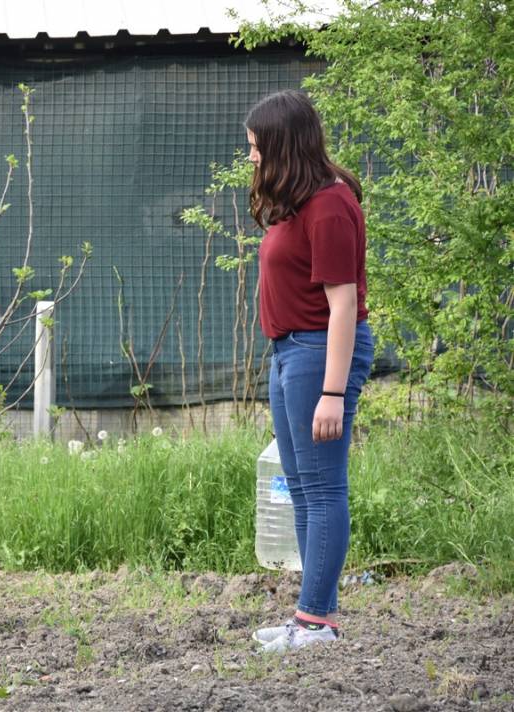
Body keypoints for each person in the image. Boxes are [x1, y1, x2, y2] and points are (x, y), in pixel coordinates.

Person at [243, 90, 374, 652]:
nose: (251, 157)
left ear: (285, 146)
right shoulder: (299, 201)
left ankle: (318, 621)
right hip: (290, 352)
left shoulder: (329, 207)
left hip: (321, 354)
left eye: (257, 147)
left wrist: (332, 392)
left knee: (322, 489)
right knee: (300, 488)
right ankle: (308, 617)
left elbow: (343, 305)